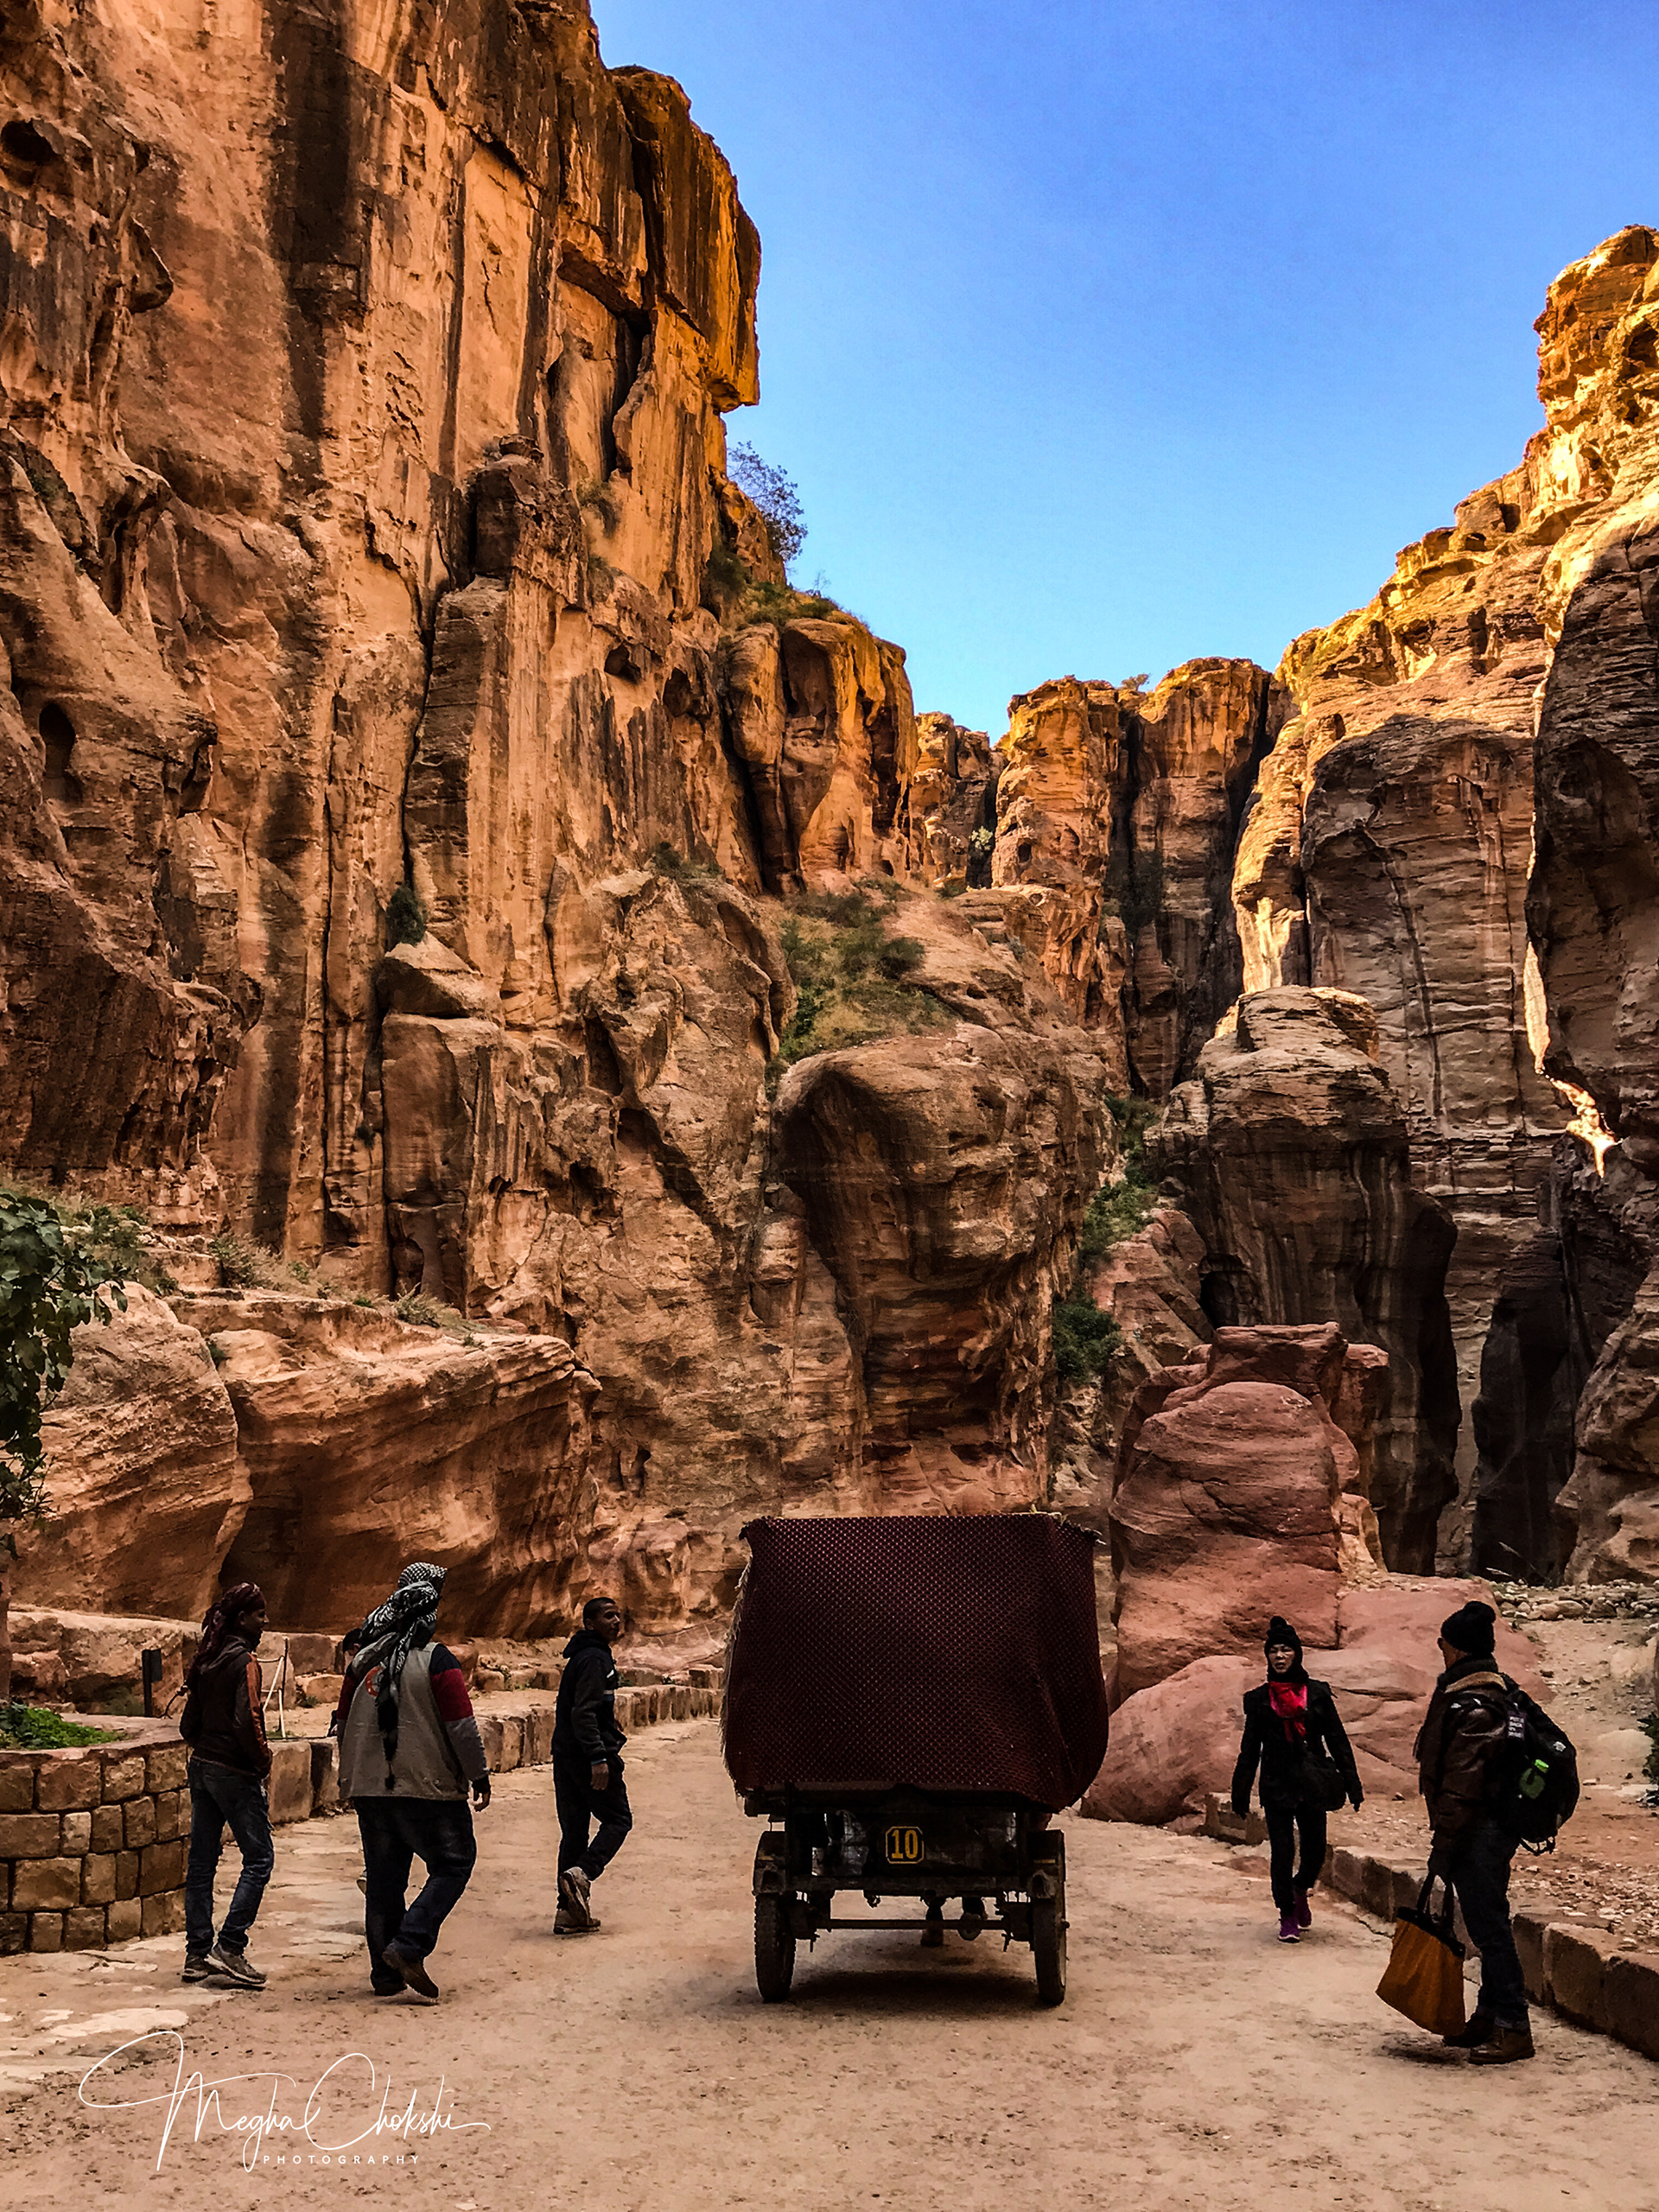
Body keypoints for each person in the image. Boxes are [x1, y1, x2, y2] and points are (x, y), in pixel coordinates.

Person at [335, 1561, 490, 2004]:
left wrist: (353, 1778)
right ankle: (408, 1945)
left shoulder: (363, 1661)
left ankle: (384, 1975)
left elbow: (343, 1723)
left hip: (370, 1789)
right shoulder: (438, 1661)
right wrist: (477, 1773)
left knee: (385, 1878)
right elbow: (460, 1725)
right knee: (454, 1863)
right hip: (428, 1786)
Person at [1415, 1599, 1533, 2064]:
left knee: (1490, 1929)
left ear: (1457, 1649)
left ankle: (1513, 2026)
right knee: (1488, 1924)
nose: (1440, 1650)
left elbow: (1463, 1787)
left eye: (1443, 1643)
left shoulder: (1477, 1705)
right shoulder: (1493, 1692)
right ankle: (1488, 2016)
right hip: (1487, 1828)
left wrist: (1443, 1846)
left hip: (1479, 1831)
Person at [1231, 1615, 1362, 1943]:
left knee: (1316, 1849)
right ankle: (1287, 1913)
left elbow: (1338, 1740)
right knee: (1283, 1850)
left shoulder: (1316, 1695)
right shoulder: (1260, 1700)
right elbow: (1250, 1749)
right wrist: (1240, 1791)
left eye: (1285, 1650)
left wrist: (1353, 1784)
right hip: (1277, 1784)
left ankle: (1300, 1887)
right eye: (1273, 1651)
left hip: (1312, 1781)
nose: (1279, 1657)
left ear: (1296, 1654)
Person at [180, 1581, 276, 1987]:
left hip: (202, 1764)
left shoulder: (207, 1658)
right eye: (259, 1615)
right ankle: (230, 1946)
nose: (264, 1622)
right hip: (233, 1770)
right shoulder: (245, 1663)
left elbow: (188, 1724)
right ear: (242, 1619)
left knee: (202, 1861)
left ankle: (196, 1954)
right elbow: (248, 1719)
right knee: (259, 1858)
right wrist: (263, 1761)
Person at [552, 1594, 632, 1932]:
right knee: (618, 1820)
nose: (616, 1621)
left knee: (574, 1832)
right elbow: (583, 1712)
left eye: (618, 1615)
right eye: (608, 1616)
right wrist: (599, 1757)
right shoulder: (594, 1659)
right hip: (586, 1758)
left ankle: (567, 1914)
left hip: (565, 1755)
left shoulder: (584, 1656)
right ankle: (582, 1874)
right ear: (589, 1624)